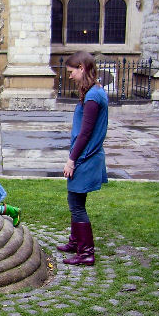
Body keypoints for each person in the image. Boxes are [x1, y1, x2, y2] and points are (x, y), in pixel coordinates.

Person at [57, 51, 109, 266]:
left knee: (76, 204)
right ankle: (76, 241)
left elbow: (86, 133)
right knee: (76, 201)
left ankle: (86, 253)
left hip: (85, 158)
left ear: (82, 68)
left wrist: (72, 160)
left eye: (71, 71)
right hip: (86, 156)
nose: (69, 76)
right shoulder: (94, 92)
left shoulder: (93, 97)